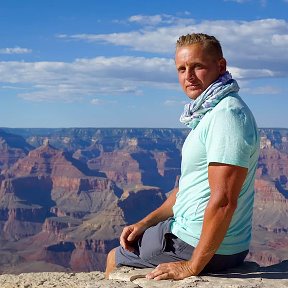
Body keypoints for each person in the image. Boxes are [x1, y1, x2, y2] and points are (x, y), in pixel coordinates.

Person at [105, 33, 260, 280]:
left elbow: (224, 201)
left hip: (197, 243)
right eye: (181, 68)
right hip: (203, 236)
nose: (188, 76)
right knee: (136, 238)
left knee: (116, 257)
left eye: (197, 66)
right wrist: (145, 223)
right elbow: (188, 187)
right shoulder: (209, 112)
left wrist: (191, 267)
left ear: (220, 66)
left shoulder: (227, 116)